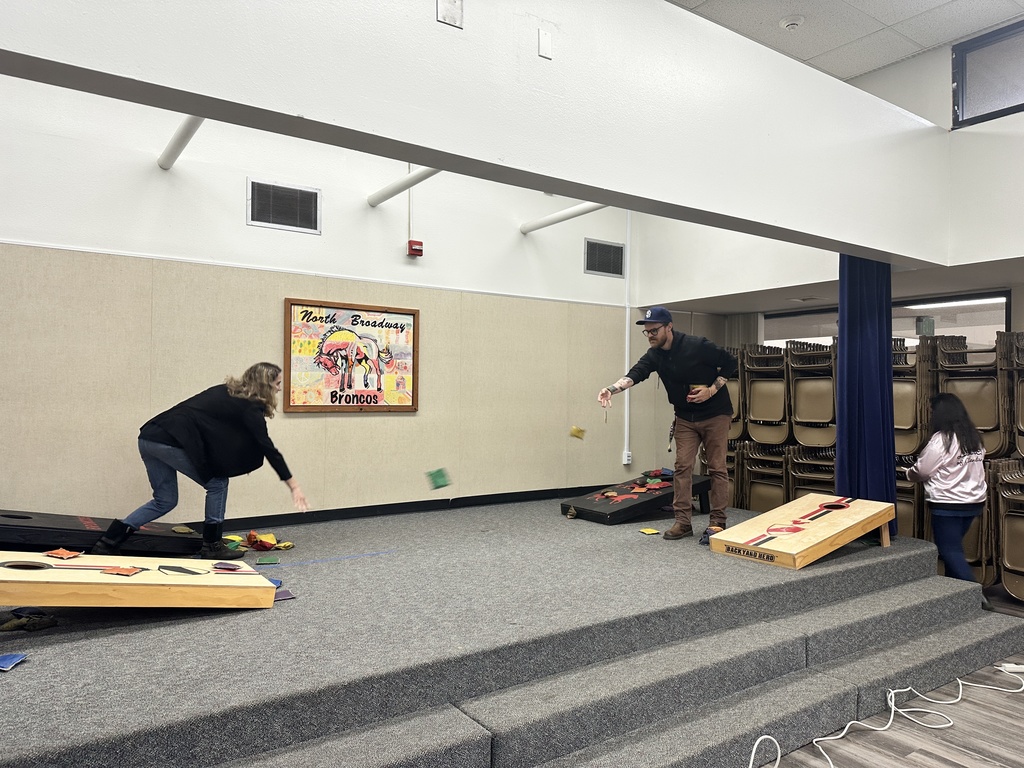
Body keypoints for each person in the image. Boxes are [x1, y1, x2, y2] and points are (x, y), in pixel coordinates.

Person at [92, 362, 309, 559]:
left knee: (165, 500)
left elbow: (212, 429)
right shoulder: (250, 407)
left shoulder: (224, 391)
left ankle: (108, 542)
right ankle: (211, 545)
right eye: (277, 384)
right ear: (265, 385)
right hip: (169, 441)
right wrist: (293, 485)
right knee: (217, 483)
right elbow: (267, 447)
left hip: (149, 437)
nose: (279, 388)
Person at [598, 307, 738, 543]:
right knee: (682, 467)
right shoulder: (654, 355)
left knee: (716, 467)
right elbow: (636, 373)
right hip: (685, 416)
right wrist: (611, 389)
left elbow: (730, 363)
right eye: (647, 332)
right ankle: (683, 522)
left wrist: (711, 390)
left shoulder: (697, 345)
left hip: (715, 415)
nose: (651, 335)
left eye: (654, 330)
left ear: (669, 327)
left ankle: (717, 522)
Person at [907, 393, 988, 588]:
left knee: (949, 550)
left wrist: (909, 473)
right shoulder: (973, 437)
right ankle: (955, 593)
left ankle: (974, 593)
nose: (930, 415)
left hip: (948, 503)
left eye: (932, 411)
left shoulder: (941, 440)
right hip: (973, 503)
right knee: (955, 549)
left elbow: (923, 470)